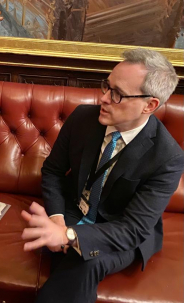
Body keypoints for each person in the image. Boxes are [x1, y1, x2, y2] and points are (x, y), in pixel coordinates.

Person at [21, 48, 184, 303]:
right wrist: (57, 220)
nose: (105, 98)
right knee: (71, 255)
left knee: (85, 259)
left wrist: (69, 237)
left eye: (117, 94)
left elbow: (133, 229)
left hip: (122, 231)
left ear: (149, 105)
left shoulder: (167, 157)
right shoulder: (83, 119)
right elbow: (52, 171)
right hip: (76, 211)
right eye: (106, 87)